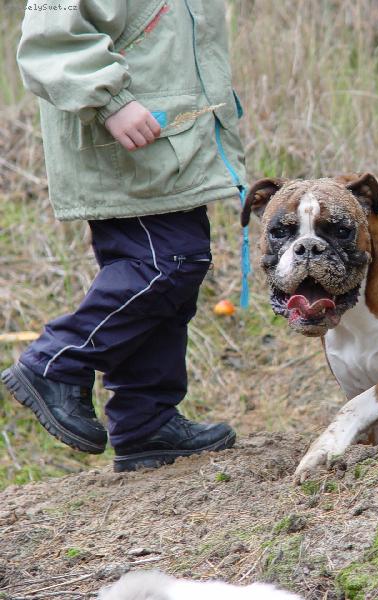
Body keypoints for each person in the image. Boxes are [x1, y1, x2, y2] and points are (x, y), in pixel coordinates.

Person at [2, 1, 247, 472]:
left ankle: (145, 419)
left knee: (176, 271)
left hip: (170, 137)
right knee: (165, 265)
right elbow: (46, 38)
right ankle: (55, 363)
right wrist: (110, 100)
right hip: (123, 139)